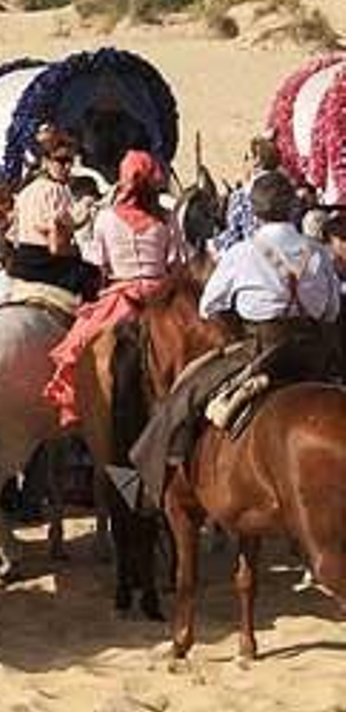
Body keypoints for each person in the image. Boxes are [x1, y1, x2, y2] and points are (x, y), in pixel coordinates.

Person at [128, 171, 341, 507]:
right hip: (318, 353)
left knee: (182, 398)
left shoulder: (242, 253)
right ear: (291, 209)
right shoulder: (317, 252)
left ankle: (144, 487)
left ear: (254, 212)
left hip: (262, 352)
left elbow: (209, 305)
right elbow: (331, 311)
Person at [43, 151, 188, 428]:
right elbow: (176, 261)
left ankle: (77, 419)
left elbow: (98, 261)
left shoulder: (107, 219)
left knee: (76, 348)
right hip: (161, 296)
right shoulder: (167, 219)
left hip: (120, 298)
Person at [6, 126, 99, 300]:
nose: (68, 166)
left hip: (21, 264)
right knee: (93, 276)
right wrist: (76, 250)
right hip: (46, 265)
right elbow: (57, 246)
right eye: (61, 160)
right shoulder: (56, 190)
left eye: (71, 160)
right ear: (46, 161)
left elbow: (13, 236)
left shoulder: (25, 191)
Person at [214, 136, 284, 252]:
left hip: (253, 257)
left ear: (256, 161)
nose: (244, 162)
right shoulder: (286, 189)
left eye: (247, 158)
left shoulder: (241, 196)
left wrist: (213, 244)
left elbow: (232, 237)